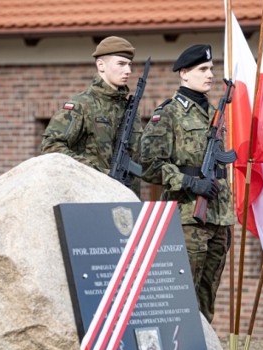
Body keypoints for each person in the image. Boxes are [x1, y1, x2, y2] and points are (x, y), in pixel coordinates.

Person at [140, 44, 235, 323]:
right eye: (203, 69)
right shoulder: (168, 114)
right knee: (184, 296)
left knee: (207, 296)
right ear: (184, 73)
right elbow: (149, 165)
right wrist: (190, 183)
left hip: (218, 216)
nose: (210, 75)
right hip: (188, 218)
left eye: (211, 69)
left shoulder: (213, 113)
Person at [40, 36, 143, 196]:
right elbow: (51, 147)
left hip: (128, 199)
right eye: (121, 64)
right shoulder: (82, 105)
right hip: (90, 197)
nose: (128, 70)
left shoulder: (129, 109)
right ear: (101, 65)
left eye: (130, 65)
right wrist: (97, 173)